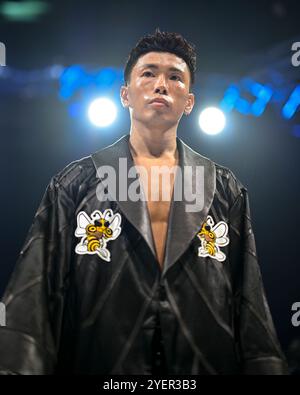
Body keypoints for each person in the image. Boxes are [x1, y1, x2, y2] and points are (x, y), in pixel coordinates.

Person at [0, 29, 289, 375]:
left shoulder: (225, 188)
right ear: (125, 94)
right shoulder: (74, 183)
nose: (161, 85)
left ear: (190, 101)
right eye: (148, 73)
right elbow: (32, 296)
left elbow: (250, 305)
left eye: (175, 77)